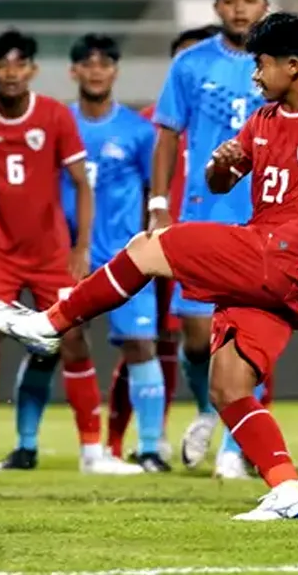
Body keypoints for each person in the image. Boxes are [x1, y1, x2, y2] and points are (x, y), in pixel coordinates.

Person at [0, 13, 298, 520]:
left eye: (262, 65)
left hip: (282, 258)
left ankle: (51, 323)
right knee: (228, 388)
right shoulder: (263, 120)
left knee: (151, 246)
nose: (256, 76)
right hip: (270, 271)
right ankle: (290, 491)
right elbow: (222, 181)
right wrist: (219, 167)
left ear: (293, 67)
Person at [0, 29, 140, 477]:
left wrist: (80, 248)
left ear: (33, 70)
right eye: (4, 64)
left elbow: (81, 182)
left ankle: (92, 454)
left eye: (21, 64)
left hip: (50, 251)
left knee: (73, 341)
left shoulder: (55, 116)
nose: (12, 72)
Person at [9, 33, 167, 472]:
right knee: (48, 346)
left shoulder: (138, 131)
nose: (96, 71)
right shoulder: (57, 122)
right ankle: (25, 446)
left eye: (105, 64)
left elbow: (155, 189)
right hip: (65, 257)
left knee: (140, 346)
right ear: (73, 71)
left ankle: (150, 449)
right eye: (87, 64)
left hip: (123, 258)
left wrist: (153, 238)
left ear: (115, 71)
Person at [147, 0, 271, 471]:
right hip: (204, 212)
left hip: (263, 217)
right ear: (216, 7)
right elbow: (168, 135)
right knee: (197, 339)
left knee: (249, 337)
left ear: (265, 4)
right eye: (230, 0)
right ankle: (206, 409)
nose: (240, 8)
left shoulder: (282, 64)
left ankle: (235, 449)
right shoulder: (190, 65)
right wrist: (158, 205)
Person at [109, 25, 219, 461]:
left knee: (219, 340)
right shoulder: (149, 124)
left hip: (206, 241)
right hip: (153, 245)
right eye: (183, 60)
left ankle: (220, 425)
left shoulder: (232, 118)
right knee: (143, 344)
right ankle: (131, 443)